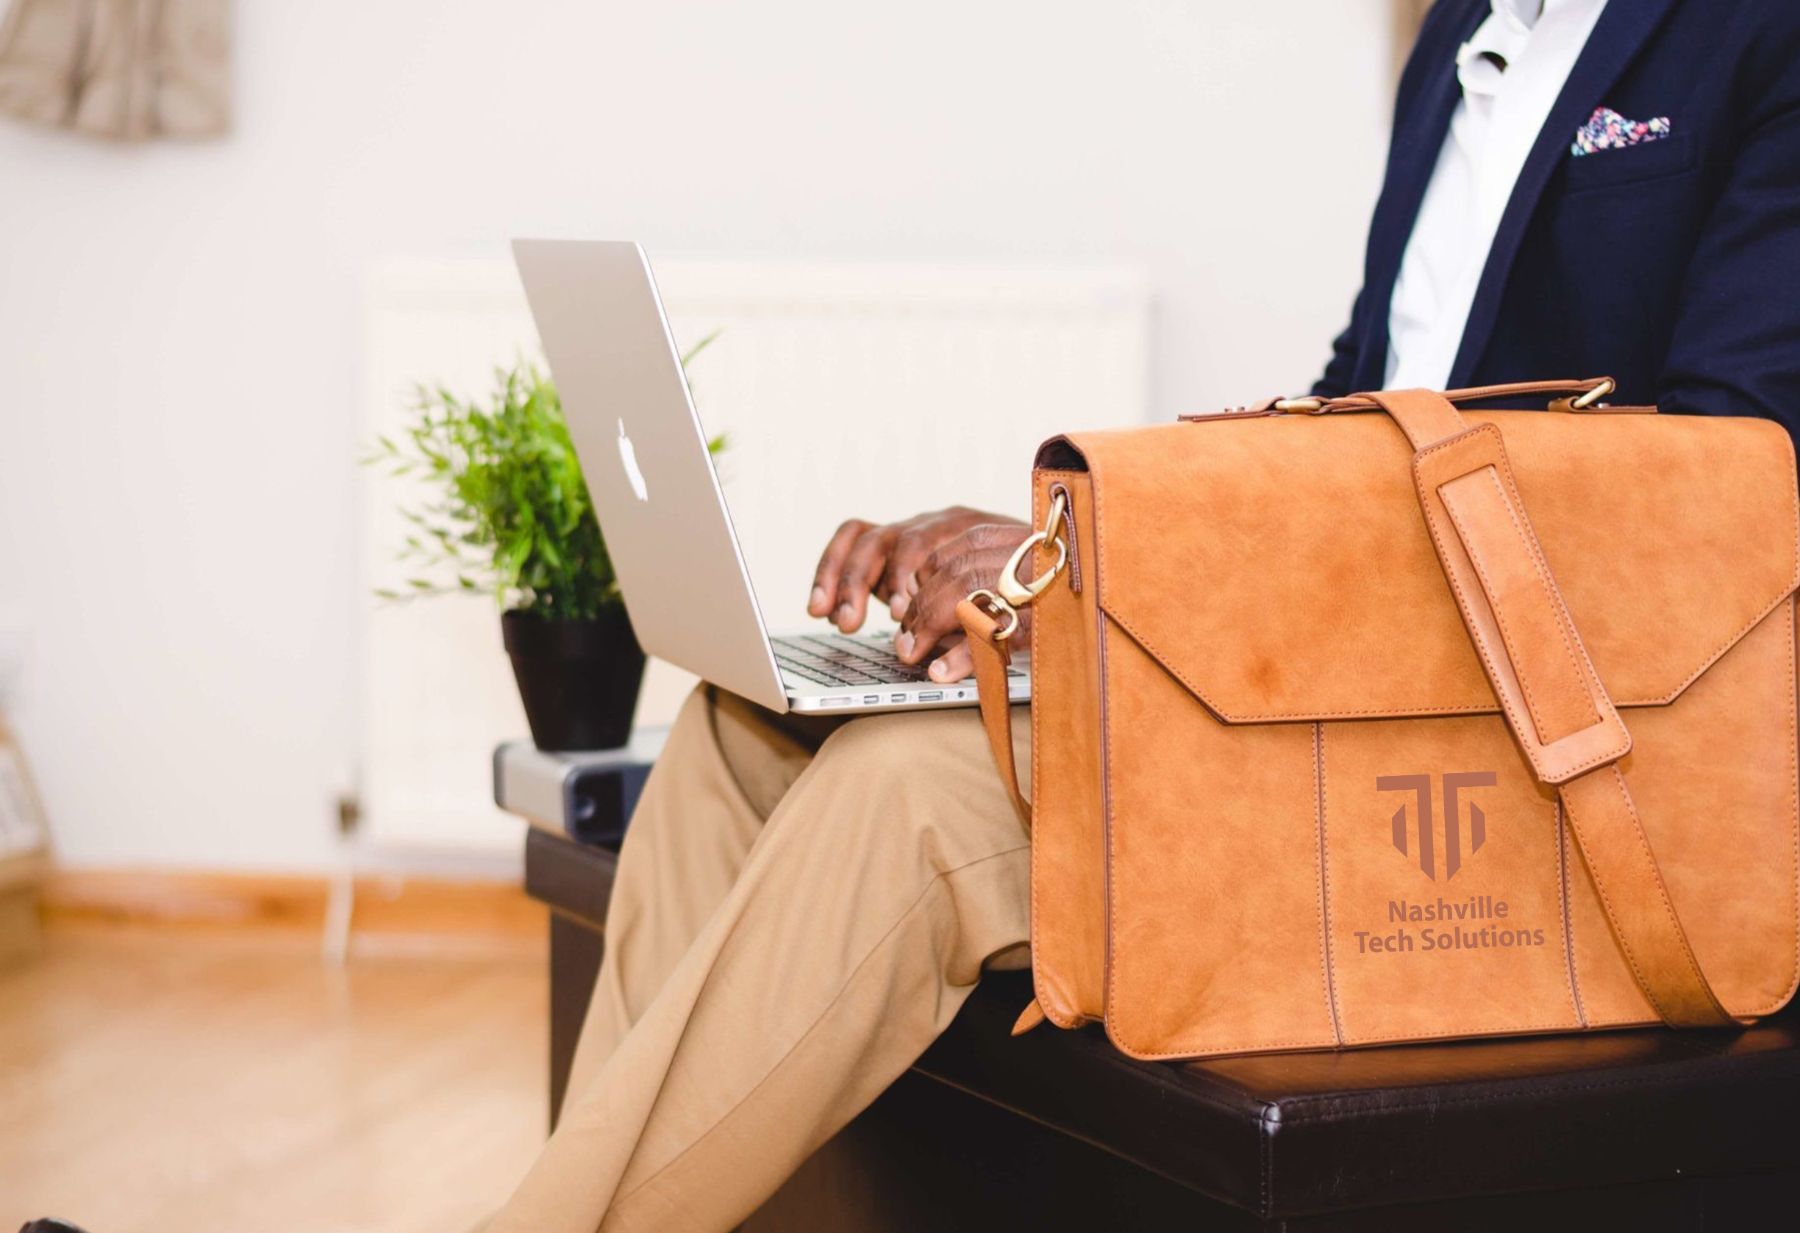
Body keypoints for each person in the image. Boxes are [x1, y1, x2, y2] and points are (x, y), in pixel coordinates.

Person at [483, 2, 1800, 1229]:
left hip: (1530, 767)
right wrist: (1079, 570)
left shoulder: (1764, 36)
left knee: (915, 796)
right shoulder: (1457, 30)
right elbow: (1355, 410)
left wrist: (1131, 565)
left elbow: (1715, 499)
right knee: (734, 735)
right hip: (1339, 697)